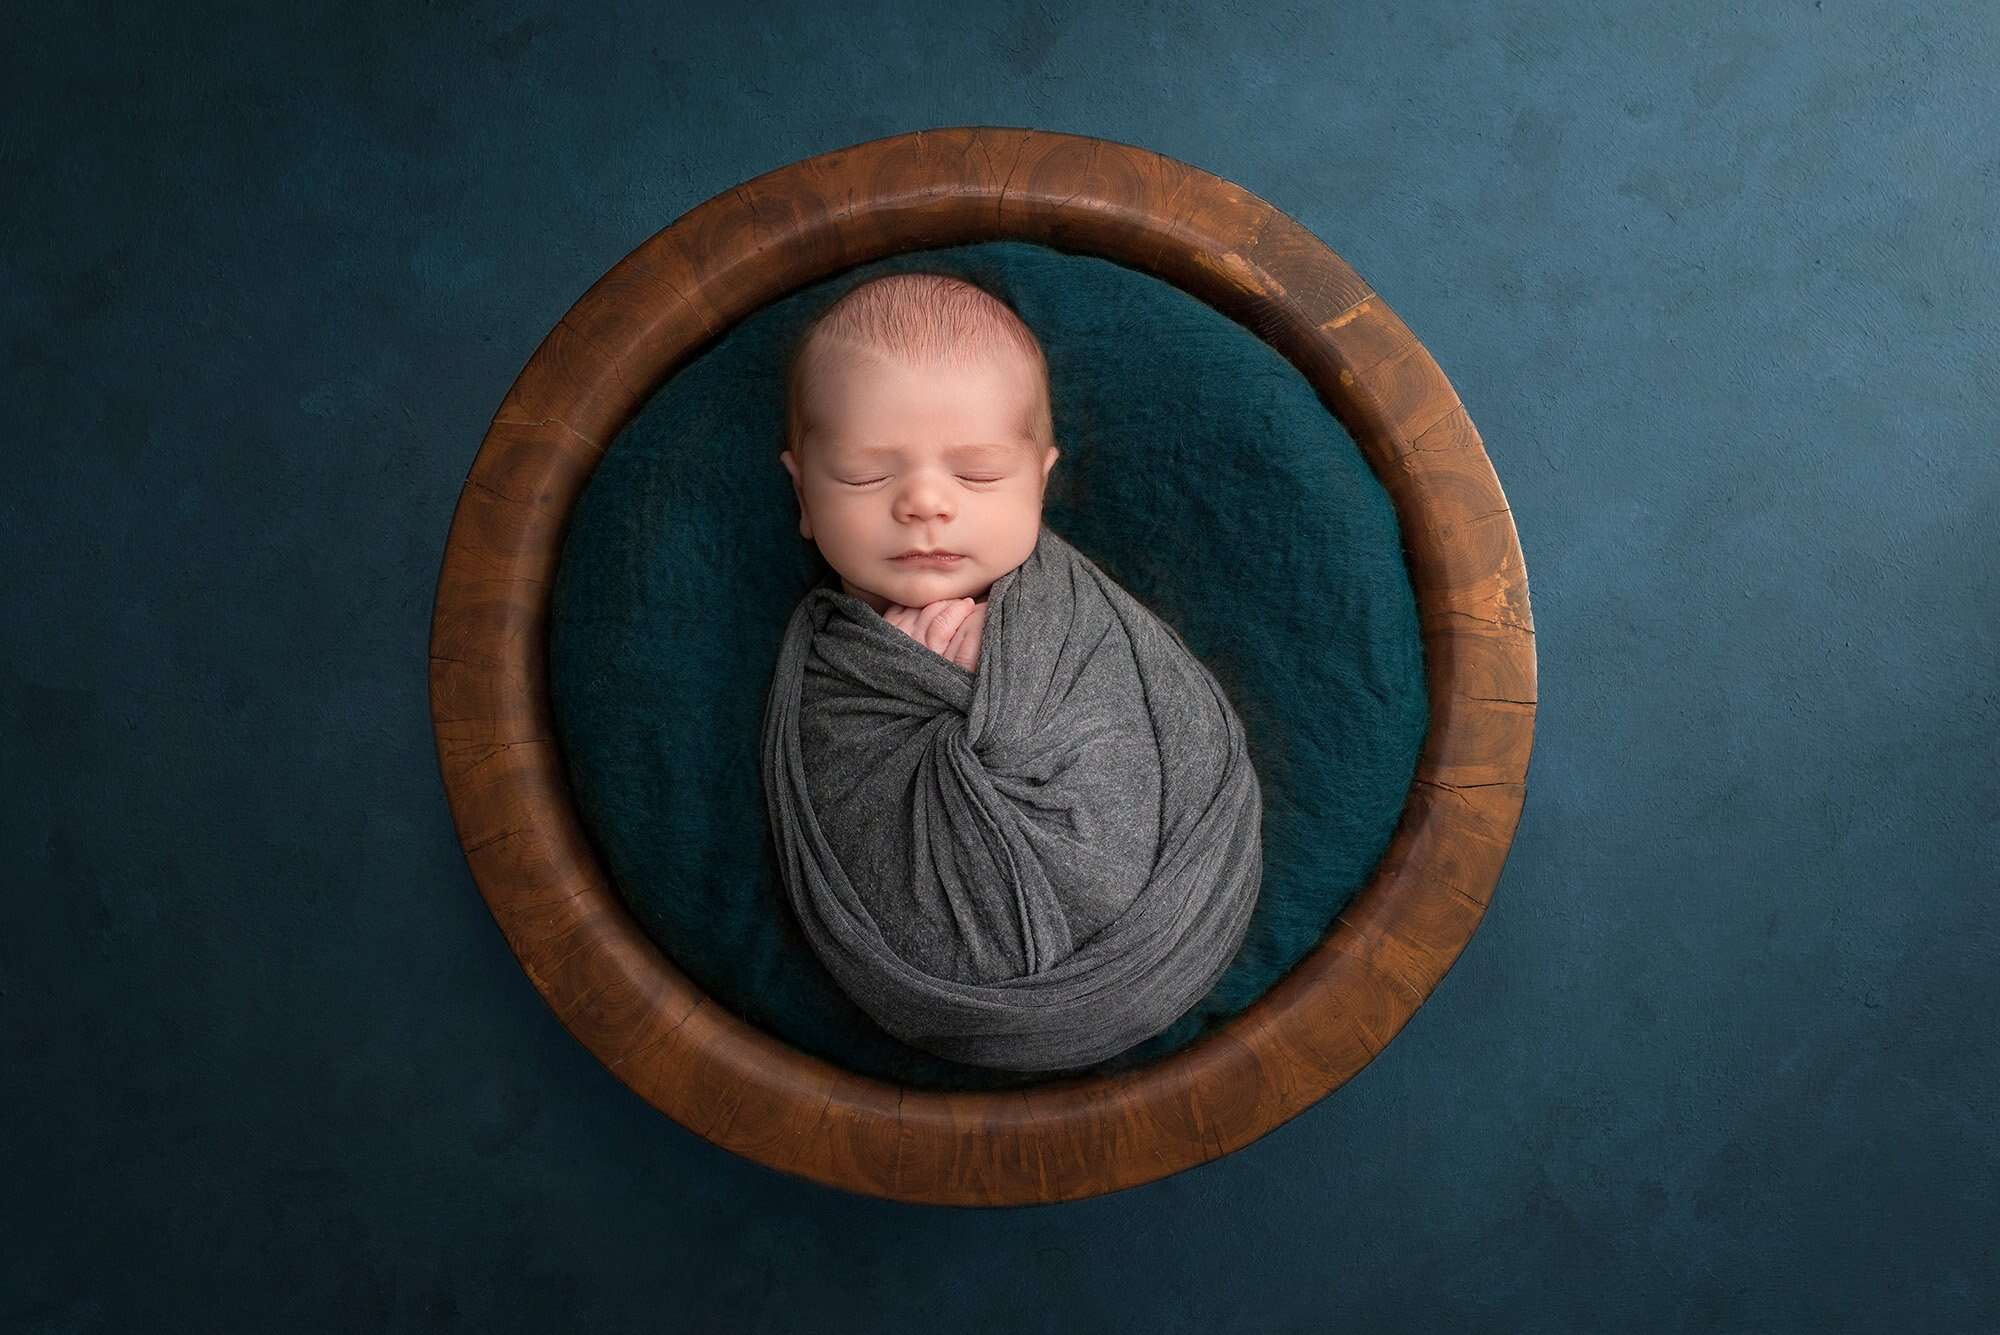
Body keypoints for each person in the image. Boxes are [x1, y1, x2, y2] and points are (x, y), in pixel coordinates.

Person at [778, 271, 1060, 673]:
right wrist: (891, 675)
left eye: (978, 474)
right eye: (866, 476)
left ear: (1039, 487)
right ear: (804, 496)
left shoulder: (1079, 625)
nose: (925, 504)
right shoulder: (815, 651)